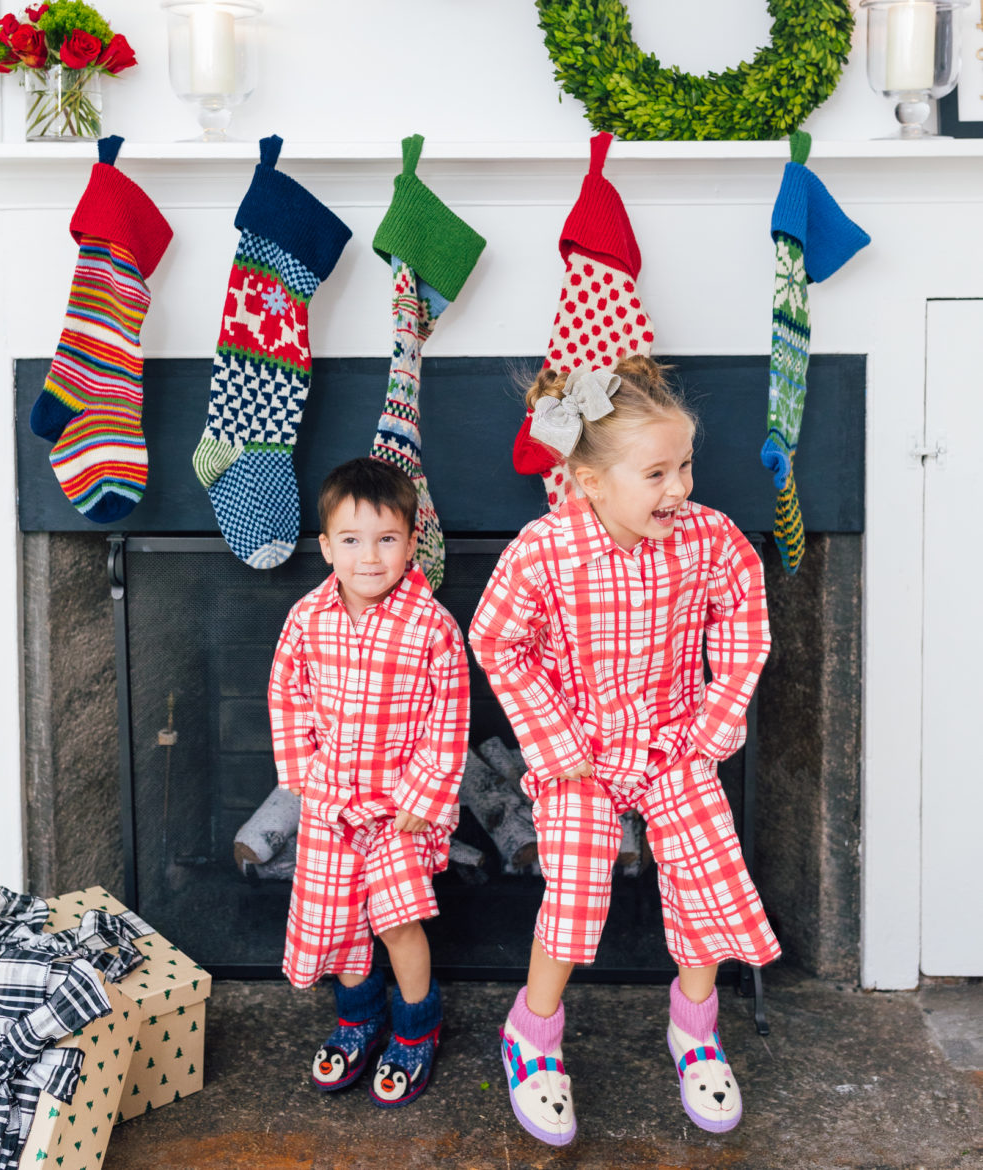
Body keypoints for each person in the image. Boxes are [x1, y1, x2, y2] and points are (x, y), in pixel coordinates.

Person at [469, 357, 780, 1148]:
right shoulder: (546, 550)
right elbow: (497, 640)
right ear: (589, 481)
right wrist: (554, 738)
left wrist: (714, 723)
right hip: (580, 751)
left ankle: (695, 1028)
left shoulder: (707, 540)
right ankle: (532, 1036)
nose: (678, 487)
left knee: (705, 876)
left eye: (685, 466)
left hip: (675, 741)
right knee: (574, 893)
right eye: (656, 472)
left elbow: (746, 620)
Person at [267, 455, 469, 1107]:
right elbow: (287, 696)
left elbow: (450, 718)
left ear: (413, 544)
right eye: (352, 541)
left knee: (396, 922)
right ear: (327, 547)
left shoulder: (432, 627)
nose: (370, 557)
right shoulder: (307, 619)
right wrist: (302, 775)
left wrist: (425, 795)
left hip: (398, 809)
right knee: (342, 924)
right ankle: (358, 1021)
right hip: (331, 806)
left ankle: (416, 1027)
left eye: (387, 539)